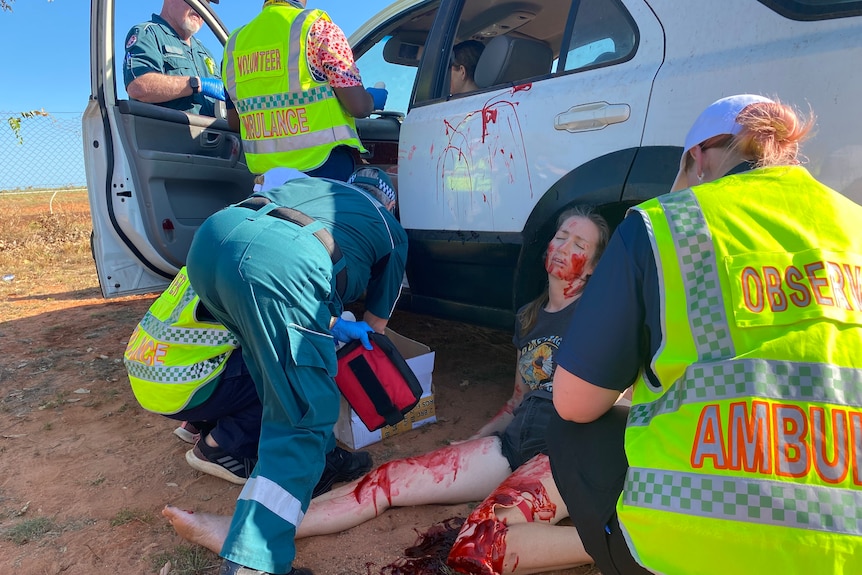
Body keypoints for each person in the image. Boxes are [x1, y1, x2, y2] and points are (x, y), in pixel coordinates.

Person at [162, 206, 613, 575]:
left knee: (479, 545)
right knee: (385, 481)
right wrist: (476, 440)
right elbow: (517, 400)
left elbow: (621, 394)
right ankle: (249, 533)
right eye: (561, 236)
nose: (563, 248)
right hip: (515, 442)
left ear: (593, 267)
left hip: (563, 446)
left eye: (580, 245)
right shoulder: (530, 318)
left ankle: (622, 543)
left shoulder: (601, 313)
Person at [547, 94, 862, 575]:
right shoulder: (853, 224)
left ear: (698, 155)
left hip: (695, 547)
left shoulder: (667, 223)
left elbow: (574, 402)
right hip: (847, 546)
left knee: (571, 430)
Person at [180, 166, 407, 575]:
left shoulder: (317, 186)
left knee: (273, 378)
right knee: (304, 414)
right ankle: (255, 563)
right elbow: (375, 335)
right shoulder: (391, 229)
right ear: (390, 201)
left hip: (212, 242)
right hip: (283, 263)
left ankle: (324, 461)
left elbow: (295, 297)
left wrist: (332, 324)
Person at [123, 269, 373, 496]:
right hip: (183, 386)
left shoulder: (203, 262)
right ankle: (221, 447)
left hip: (151, 375)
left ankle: (198, 423)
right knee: (283, 370)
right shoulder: (243, 275)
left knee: (241, 352)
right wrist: (333, 325)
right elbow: (284, 321)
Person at [221, 0, 389, 182]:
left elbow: (235, 122)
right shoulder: (319, 29)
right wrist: (372, 99)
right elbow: (359, 107)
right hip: (324, 171)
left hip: (267, 179)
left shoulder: (234, 45)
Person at [123, 0, 226, 117]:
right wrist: (196, 84)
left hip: (214, 133)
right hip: (166, 132)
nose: (201, 8)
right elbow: (138, 86)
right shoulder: (148, 34)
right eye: (197, 1)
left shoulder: (205, 53)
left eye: (206, 4)